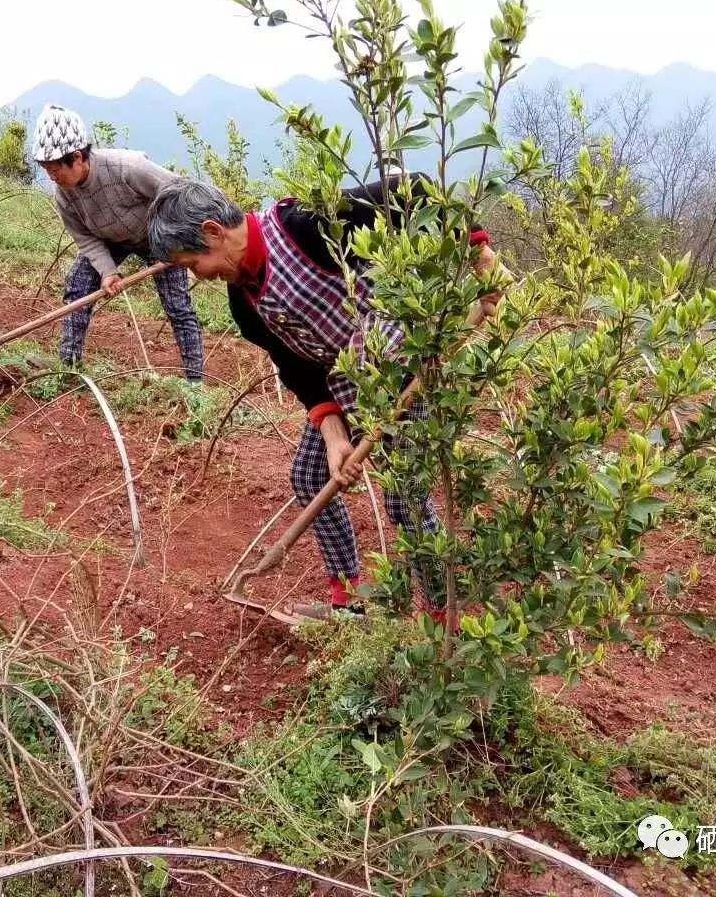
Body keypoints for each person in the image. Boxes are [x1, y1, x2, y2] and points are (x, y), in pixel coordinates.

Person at [146, 176, 498, 620]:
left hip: (403, 364)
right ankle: (350, 600)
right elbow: (297, 368)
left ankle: (444, 617)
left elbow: (412, 190)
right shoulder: (244, 303)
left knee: (404, 494)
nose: (200, 275)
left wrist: (479, 252)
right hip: (347, 382)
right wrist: (334, 437)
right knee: (311, 476)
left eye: (193, 262)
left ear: (214, 232)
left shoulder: (305, 225)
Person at [31, 105, 204, 381]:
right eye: (47, 170)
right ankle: (69, 366)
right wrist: (108, 272)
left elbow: (179, 192)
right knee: (77, 285)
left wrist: (180, 239)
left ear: (77, 157)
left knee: (178, 306)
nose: (52, 177)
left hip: (157, 236)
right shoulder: (64, 195)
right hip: (110, 240)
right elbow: (85, 238)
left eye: (55, 170)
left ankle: (195, 381)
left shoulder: (128, 167)